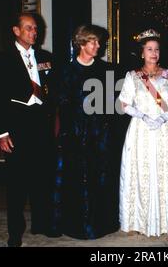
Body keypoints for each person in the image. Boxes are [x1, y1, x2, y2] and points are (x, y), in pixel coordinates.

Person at [0, 13, 56, 247]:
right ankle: (15, 232)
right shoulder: (2, 59)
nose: (34, 32)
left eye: (36, 28)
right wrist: (1, 132)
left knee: (43, 177)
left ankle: (43, 224)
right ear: (16, 31)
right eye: (28, 28)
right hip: (16, 124)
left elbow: (54, 89)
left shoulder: (46, 57)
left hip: (41, 123)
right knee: (17, 182)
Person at [51, 24, 119, 239]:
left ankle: (101, 223)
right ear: (81, 43)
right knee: (75, 180)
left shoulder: (107, 70)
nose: (99, 45)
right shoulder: (65, 71)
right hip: (74, 134)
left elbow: (113, 105)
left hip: (100, 135)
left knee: (100, 179)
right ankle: (75, 225)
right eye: (94, 41)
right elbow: (61, 103)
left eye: (99, 42)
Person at [118, 29, 168, 237]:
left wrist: (163, 118)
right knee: (138, 173)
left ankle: (167, 223)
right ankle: (136, 221)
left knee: (164, 173)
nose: (153, 53)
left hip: (163, 130)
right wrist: (144, 117)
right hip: (140, 130)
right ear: (142, 53)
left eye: (156, 49)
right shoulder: (132, 76)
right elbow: (124, 104)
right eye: (149, 49)